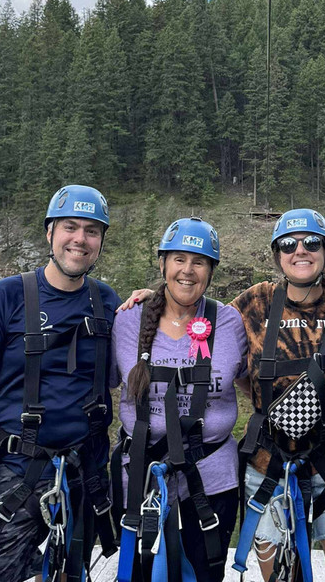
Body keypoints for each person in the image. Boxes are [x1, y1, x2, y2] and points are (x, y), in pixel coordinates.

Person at [0, 185, 122, 582]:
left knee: (71, 573)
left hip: (85, 470)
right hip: (17, 470)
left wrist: (151, 300)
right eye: (70, 227)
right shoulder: (7, 297)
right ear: (49, 233)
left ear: (100, 242)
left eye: (92, 231)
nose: (80, 239)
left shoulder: (107, 302)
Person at [231, 209, 325, 582]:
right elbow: (199, 321)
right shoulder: (255, 303)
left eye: (312, 243)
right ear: (278, 254)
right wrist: (154, 300)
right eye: (289, 244)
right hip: (268, 462)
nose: (300, 251)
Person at [111, 217, 247, 582]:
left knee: (204, 574)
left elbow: (254, 381)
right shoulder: (126, 320)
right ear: (162, 264)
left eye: (199, 261)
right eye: (178, 259)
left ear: (211, 271)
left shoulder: (230, 322)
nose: (188, 270)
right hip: (140, 480)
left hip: (211, 479)